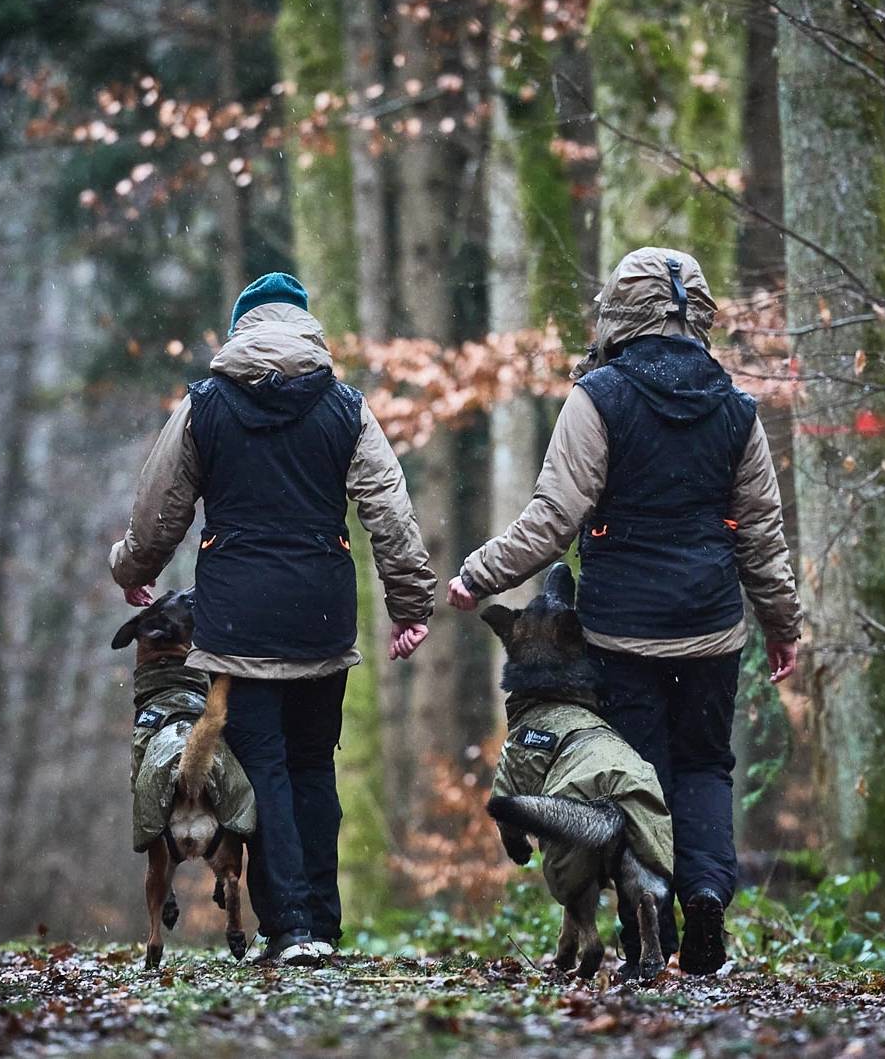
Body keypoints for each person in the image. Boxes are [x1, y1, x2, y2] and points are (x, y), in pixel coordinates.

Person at [448, 247, 802, 974]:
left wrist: (478, 575)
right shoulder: (734, 408)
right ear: (697, 314)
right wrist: (781, 623)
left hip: (620, 629)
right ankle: (707, 893)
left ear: (619, 309)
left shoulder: (598, 396)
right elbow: (761, 532)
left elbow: (553, 518)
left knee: (639, 774)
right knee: (705, 765)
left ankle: (660, 929)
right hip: (709, 624)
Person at [111, 272, 436, 966]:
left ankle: (291, 928)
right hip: (321, 610)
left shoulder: (205, 406)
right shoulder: (345, 407)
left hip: (238, 620)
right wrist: (410, 605)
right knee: (315, 765)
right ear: (307, 329)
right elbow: (390, 513)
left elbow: (157, 511)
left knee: (266, 773)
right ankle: (323, 917)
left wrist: (132, 570)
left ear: (241, 330)